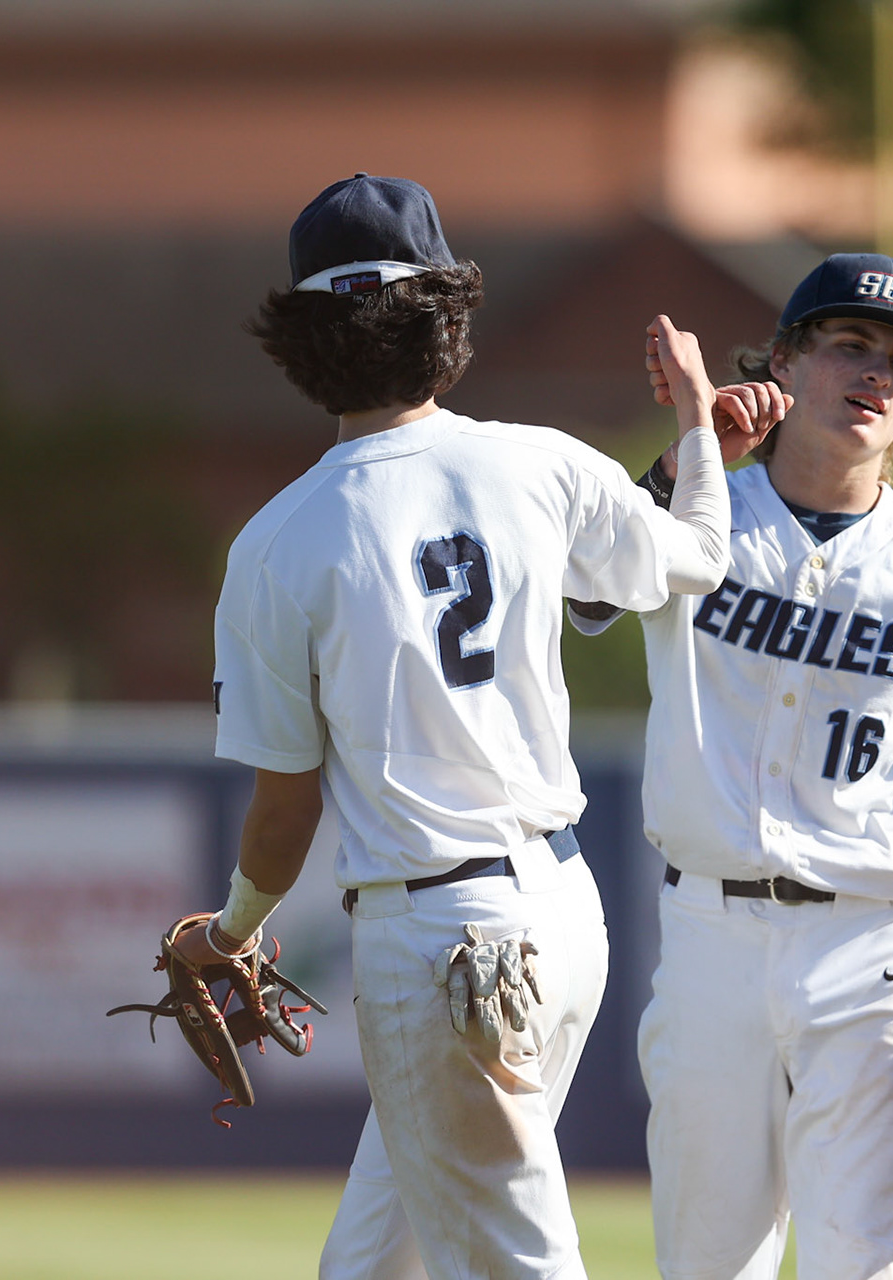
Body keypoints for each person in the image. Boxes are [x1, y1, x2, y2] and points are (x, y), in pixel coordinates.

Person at [172, 173, 785, 1280]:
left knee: (515, 1267)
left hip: (440, 940)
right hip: (561, 913)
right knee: (369, 1264)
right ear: (445, 314)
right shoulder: (536, 462)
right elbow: (694, 554)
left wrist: (230, 927)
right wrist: (698, 428)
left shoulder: (277, 541)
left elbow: (284, 808)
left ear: (304, 335)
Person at [570, 253, 893, 1279]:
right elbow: (583, 591)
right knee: (708, 1267)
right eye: (849, 344)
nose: (876, 373)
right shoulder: (702, 516)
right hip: (711, 935)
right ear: (783, 359)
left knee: (866, 1269)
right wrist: (682, 463)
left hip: (875, 954)